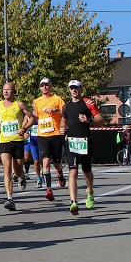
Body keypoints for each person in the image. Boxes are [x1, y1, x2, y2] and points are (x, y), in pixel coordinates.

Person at [60, 79, 104, 215]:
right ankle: (73, 202)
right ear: (69, 90)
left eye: (76, 88)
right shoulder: (66, 106)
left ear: (81, 89)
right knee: (73, 171)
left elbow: (100, 120)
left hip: (85, 141)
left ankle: (90, 191)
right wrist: (62, 129)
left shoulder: (87, 102)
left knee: (86, 171)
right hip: (71, 142)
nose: (74, 90)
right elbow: (64, 120)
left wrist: (89, 120)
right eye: (71, 88)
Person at [0, 82, 33, 211]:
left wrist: (24, 128)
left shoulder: (19, 104)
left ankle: (21, 176)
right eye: (4, 90)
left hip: (18, 140)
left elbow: (31, 118)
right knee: (6, 168)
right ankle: (10, 198)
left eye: (8, 90)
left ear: (13, 91)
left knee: (17, 170)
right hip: (4, 140)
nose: (6, 92)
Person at [32, 78, 66, 201]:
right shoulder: (37, 101)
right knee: (45, 162)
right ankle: (49, 189)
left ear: (50, 87)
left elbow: (65, 113)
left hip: (55, 134)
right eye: (42, 85)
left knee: (57, 164)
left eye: (47, 85)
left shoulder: (57, 99)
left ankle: (60, 174)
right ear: (40, 88)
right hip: (42, 135)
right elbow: (35, 115)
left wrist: (55, 110)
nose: (45, 87)